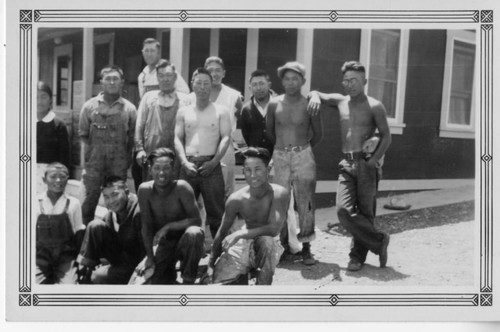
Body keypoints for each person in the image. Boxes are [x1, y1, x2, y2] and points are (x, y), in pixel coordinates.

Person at [307, 60, 391, 271]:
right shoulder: (340, 101)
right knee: (343, 210)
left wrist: (373, 161)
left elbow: (387, 136)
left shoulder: (375, 105)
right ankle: (379, 241)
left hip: (366, 163)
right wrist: (315, 95)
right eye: (346, 80)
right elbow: (316, 92)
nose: (349, 84)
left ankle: (357, 257)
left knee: (365, 212)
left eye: (354, 80)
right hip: (346, 163)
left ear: (364, 81)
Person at [266, 61, 323, 265]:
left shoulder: (310, 103)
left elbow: (318, 134)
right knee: (279, 201)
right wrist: (282, 150)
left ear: (303, 81)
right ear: (282, 81)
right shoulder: (274, 103)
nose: (290, 83)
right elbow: (270, 132)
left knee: (305, 202)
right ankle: (283, 249)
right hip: (280, 155)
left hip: (303, 156)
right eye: (287, 79)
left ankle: (306, 248)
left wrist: (301, 149)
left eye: (295, 79)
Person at [208, 147, 289, 285]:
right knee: (215, 284)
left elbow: (273, 229)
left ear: (268, 170)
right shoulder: (236, 199)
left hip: (269, 245)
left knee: (267, 242)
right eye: (247, 170)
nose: (252, 175)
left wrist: (239, 233)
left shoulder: (279, 193)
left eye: (257, 169)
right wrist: (211, 263)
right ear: (243, 171)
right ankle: (243, 277)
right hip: (243, 245)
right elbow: (222, 231)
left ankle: (262, 291)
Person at [174, 67, 232, 239]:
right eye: (198, 82)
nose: (202, 87)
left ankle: (218, 255)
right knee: (183, 212)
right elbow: (177, 138)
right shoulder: (183, 111)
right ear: (192, 84)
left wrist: (214, 162)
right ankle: (185, 256)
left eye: (206, 83)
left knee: (216, 214)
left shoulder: (221, 110)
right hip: (188, 165)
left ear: (211, 85)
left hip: (211, 166)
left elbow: (226, 137)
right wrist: (184, 162)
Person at [136, 148, 205, 284]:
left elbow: (196, 220)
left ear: (173, 169)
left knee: (194, 233)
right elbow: (146, 226)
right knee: (151, 282)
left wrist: (168, 226)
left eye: (167, 168)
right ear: (150, 169)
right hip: (164, 244)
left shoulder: (182, 188)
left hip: (186, 242)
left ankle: (188, 280)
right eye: (157, 168)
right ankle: (168, 274)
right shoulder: (144, 190)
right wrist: (149, 257)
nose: (161, 173)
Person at [78, 65, 137, 225]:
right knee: (86, 207)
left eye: (115, 79)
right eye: (108, 79)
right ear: (101, 82)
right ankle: (85, 244)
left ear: (122, 82)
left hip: (117, 167)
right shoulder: (89, 107)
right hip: (93, 168)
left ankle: (116, 243)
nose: (112, 82)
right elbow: (83, 134)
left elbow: (132, 137)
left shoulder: (130, 109)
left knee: (118, 207)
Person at [186, 56, 243, 199]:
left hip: (225, 148)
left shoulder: (234, 96)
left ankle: (225, 221)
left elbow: (241, 119)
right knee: (198, 192)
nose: (215, 74)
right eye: (210, 70)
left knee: (225, 190)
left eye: (218, 70)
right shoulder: (191, 97)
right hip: (199, 148)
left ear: (224, 73)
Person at [76, 175, 144, 284]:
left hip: (138, 266)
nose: (111, 201)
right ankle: (83, 272)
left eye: (115, 194)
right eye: (106, 197)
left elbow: (149, 248)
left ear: (127, 192)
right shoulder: (110, 215)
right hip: (120, 260)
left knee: (97, 276)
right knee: (95, 225)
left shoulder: (140, 211)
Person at [135, 59, 188, 181]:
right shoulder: (148, 97)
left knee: (175, 191)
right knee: (150, 189)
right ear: (157, 77)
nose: (165, 79)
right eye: (161, 75)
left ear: (175, 77)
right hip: (151, 153)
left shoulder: (185, 100)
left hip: (178, 155)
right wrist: (139, 149)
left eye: (169, 75)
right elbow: (139, 125)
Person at [35, 162, 85, 284]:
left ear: (67, 179)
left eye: (62, 176)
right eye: (53, 176)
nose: (58, 180)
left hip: (65, 260)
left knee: (69, 291)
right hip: (40, 260)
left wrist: (79, 261)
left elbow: (79, 234)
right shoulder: (34, 202)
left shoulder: (74, 203)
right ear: (44, 180)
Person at [36, 81, 70, 194]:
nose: (39, 101)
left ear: (50, 99)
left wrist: (59, 179)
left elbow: (64, 157)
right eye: (35, 97)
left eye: (43, 97)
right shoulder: (22, 122)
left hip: (51, 177)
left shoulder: (59, 124)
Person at [239, 69, 275, 155]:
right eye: (254, 85)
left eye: (262, 83)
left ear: (269, 85)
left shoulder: (278, 105)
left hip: (277, 157)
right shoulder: (246, 109)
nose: (258, 88)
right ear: (250, 88)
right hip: (256, 158)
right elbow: (246, 135)